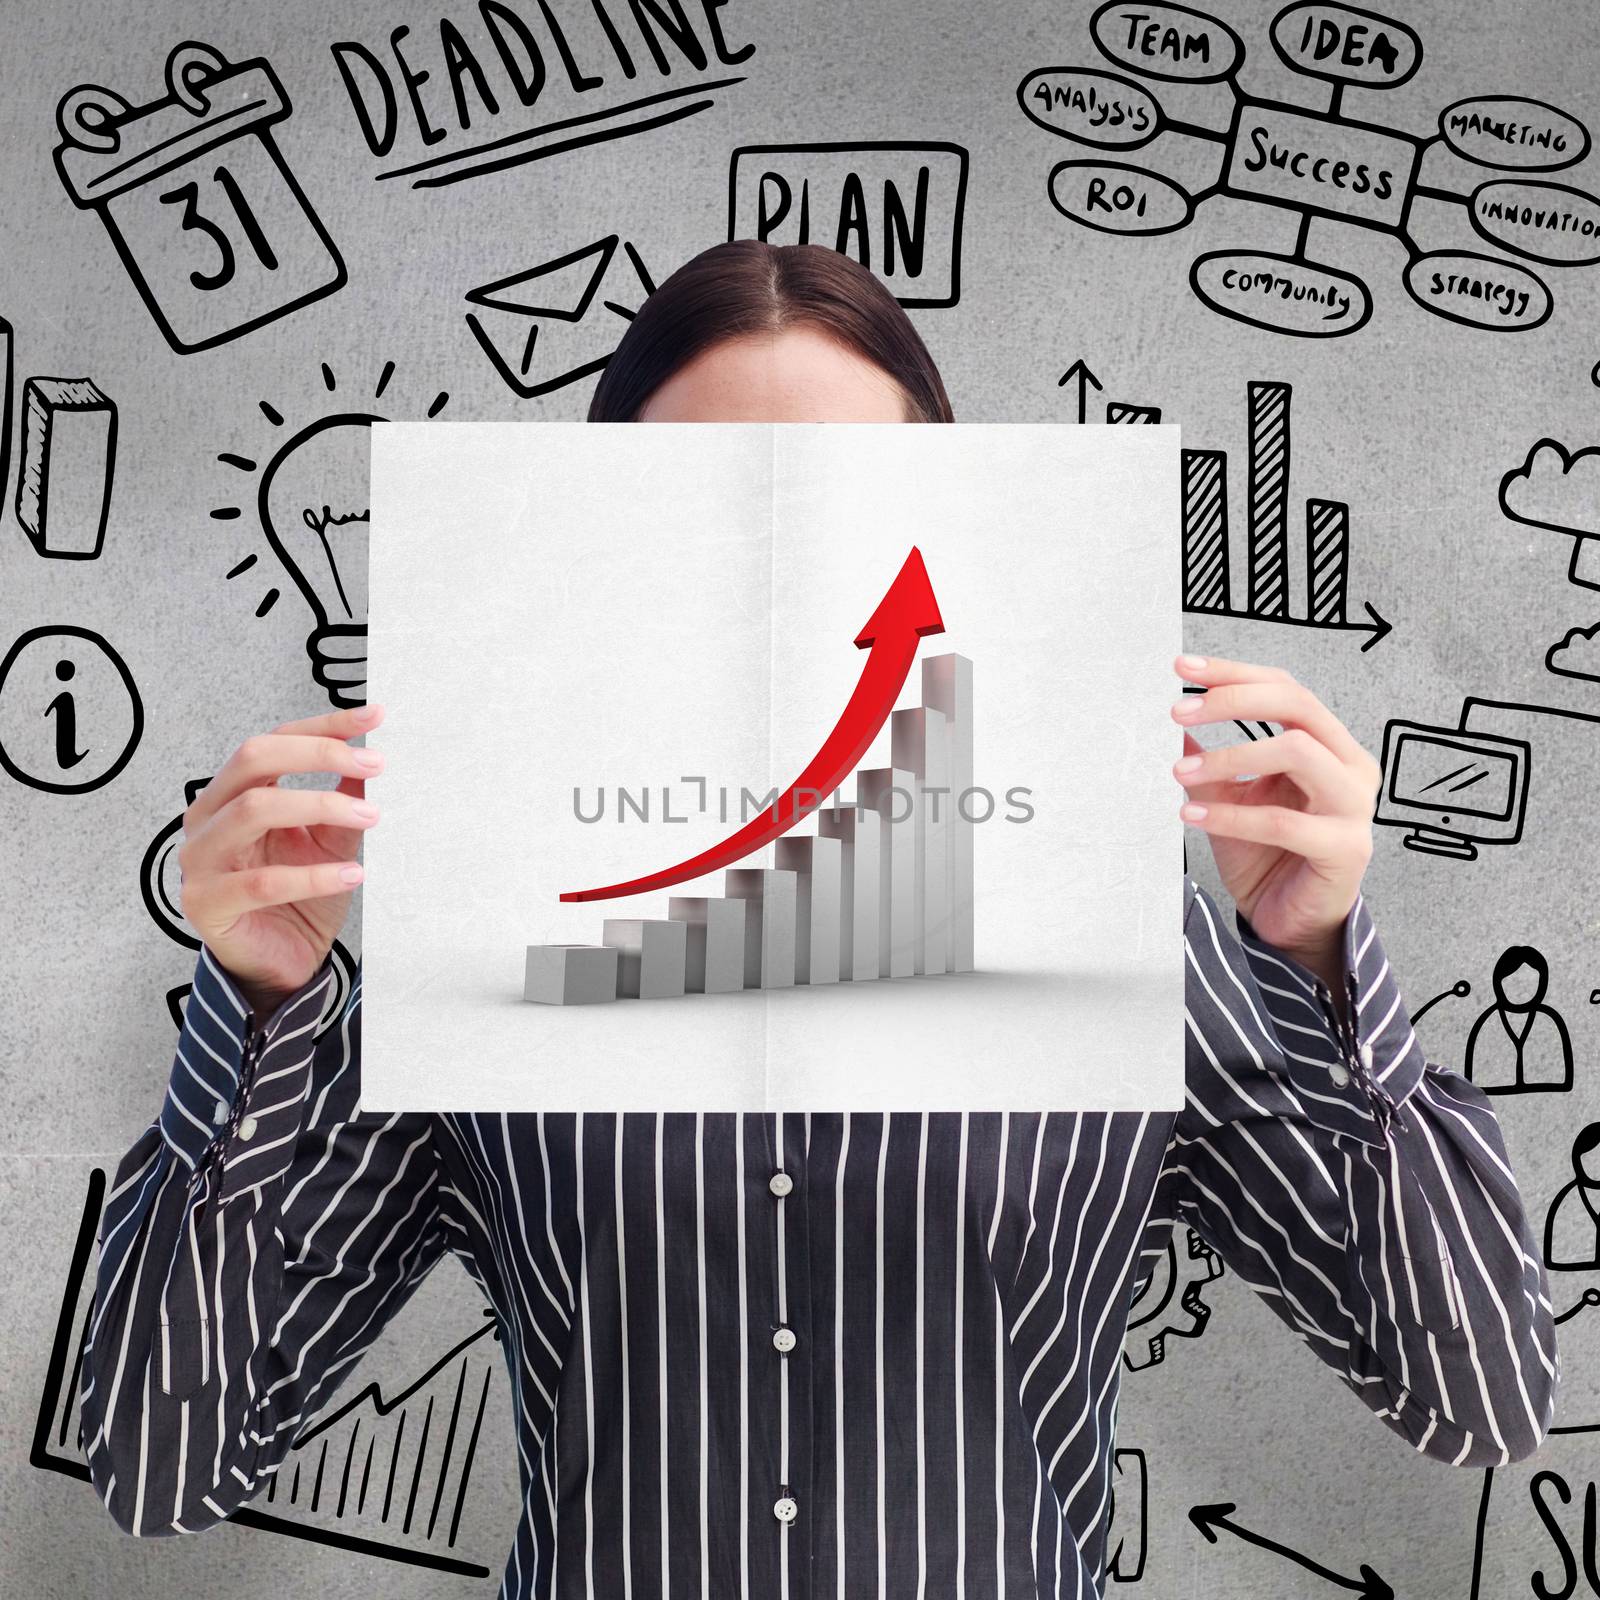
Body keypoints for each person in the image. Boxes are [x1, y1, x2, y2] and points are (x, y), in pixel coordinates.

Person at [80, 241, 1559, 1599]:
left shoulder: (1127, 940)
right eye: (699, 506)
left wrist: (1314, 966)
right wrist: (261, 1011)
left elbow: (1475, 1392)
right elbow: (164, 1463)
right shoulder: (481, 949)